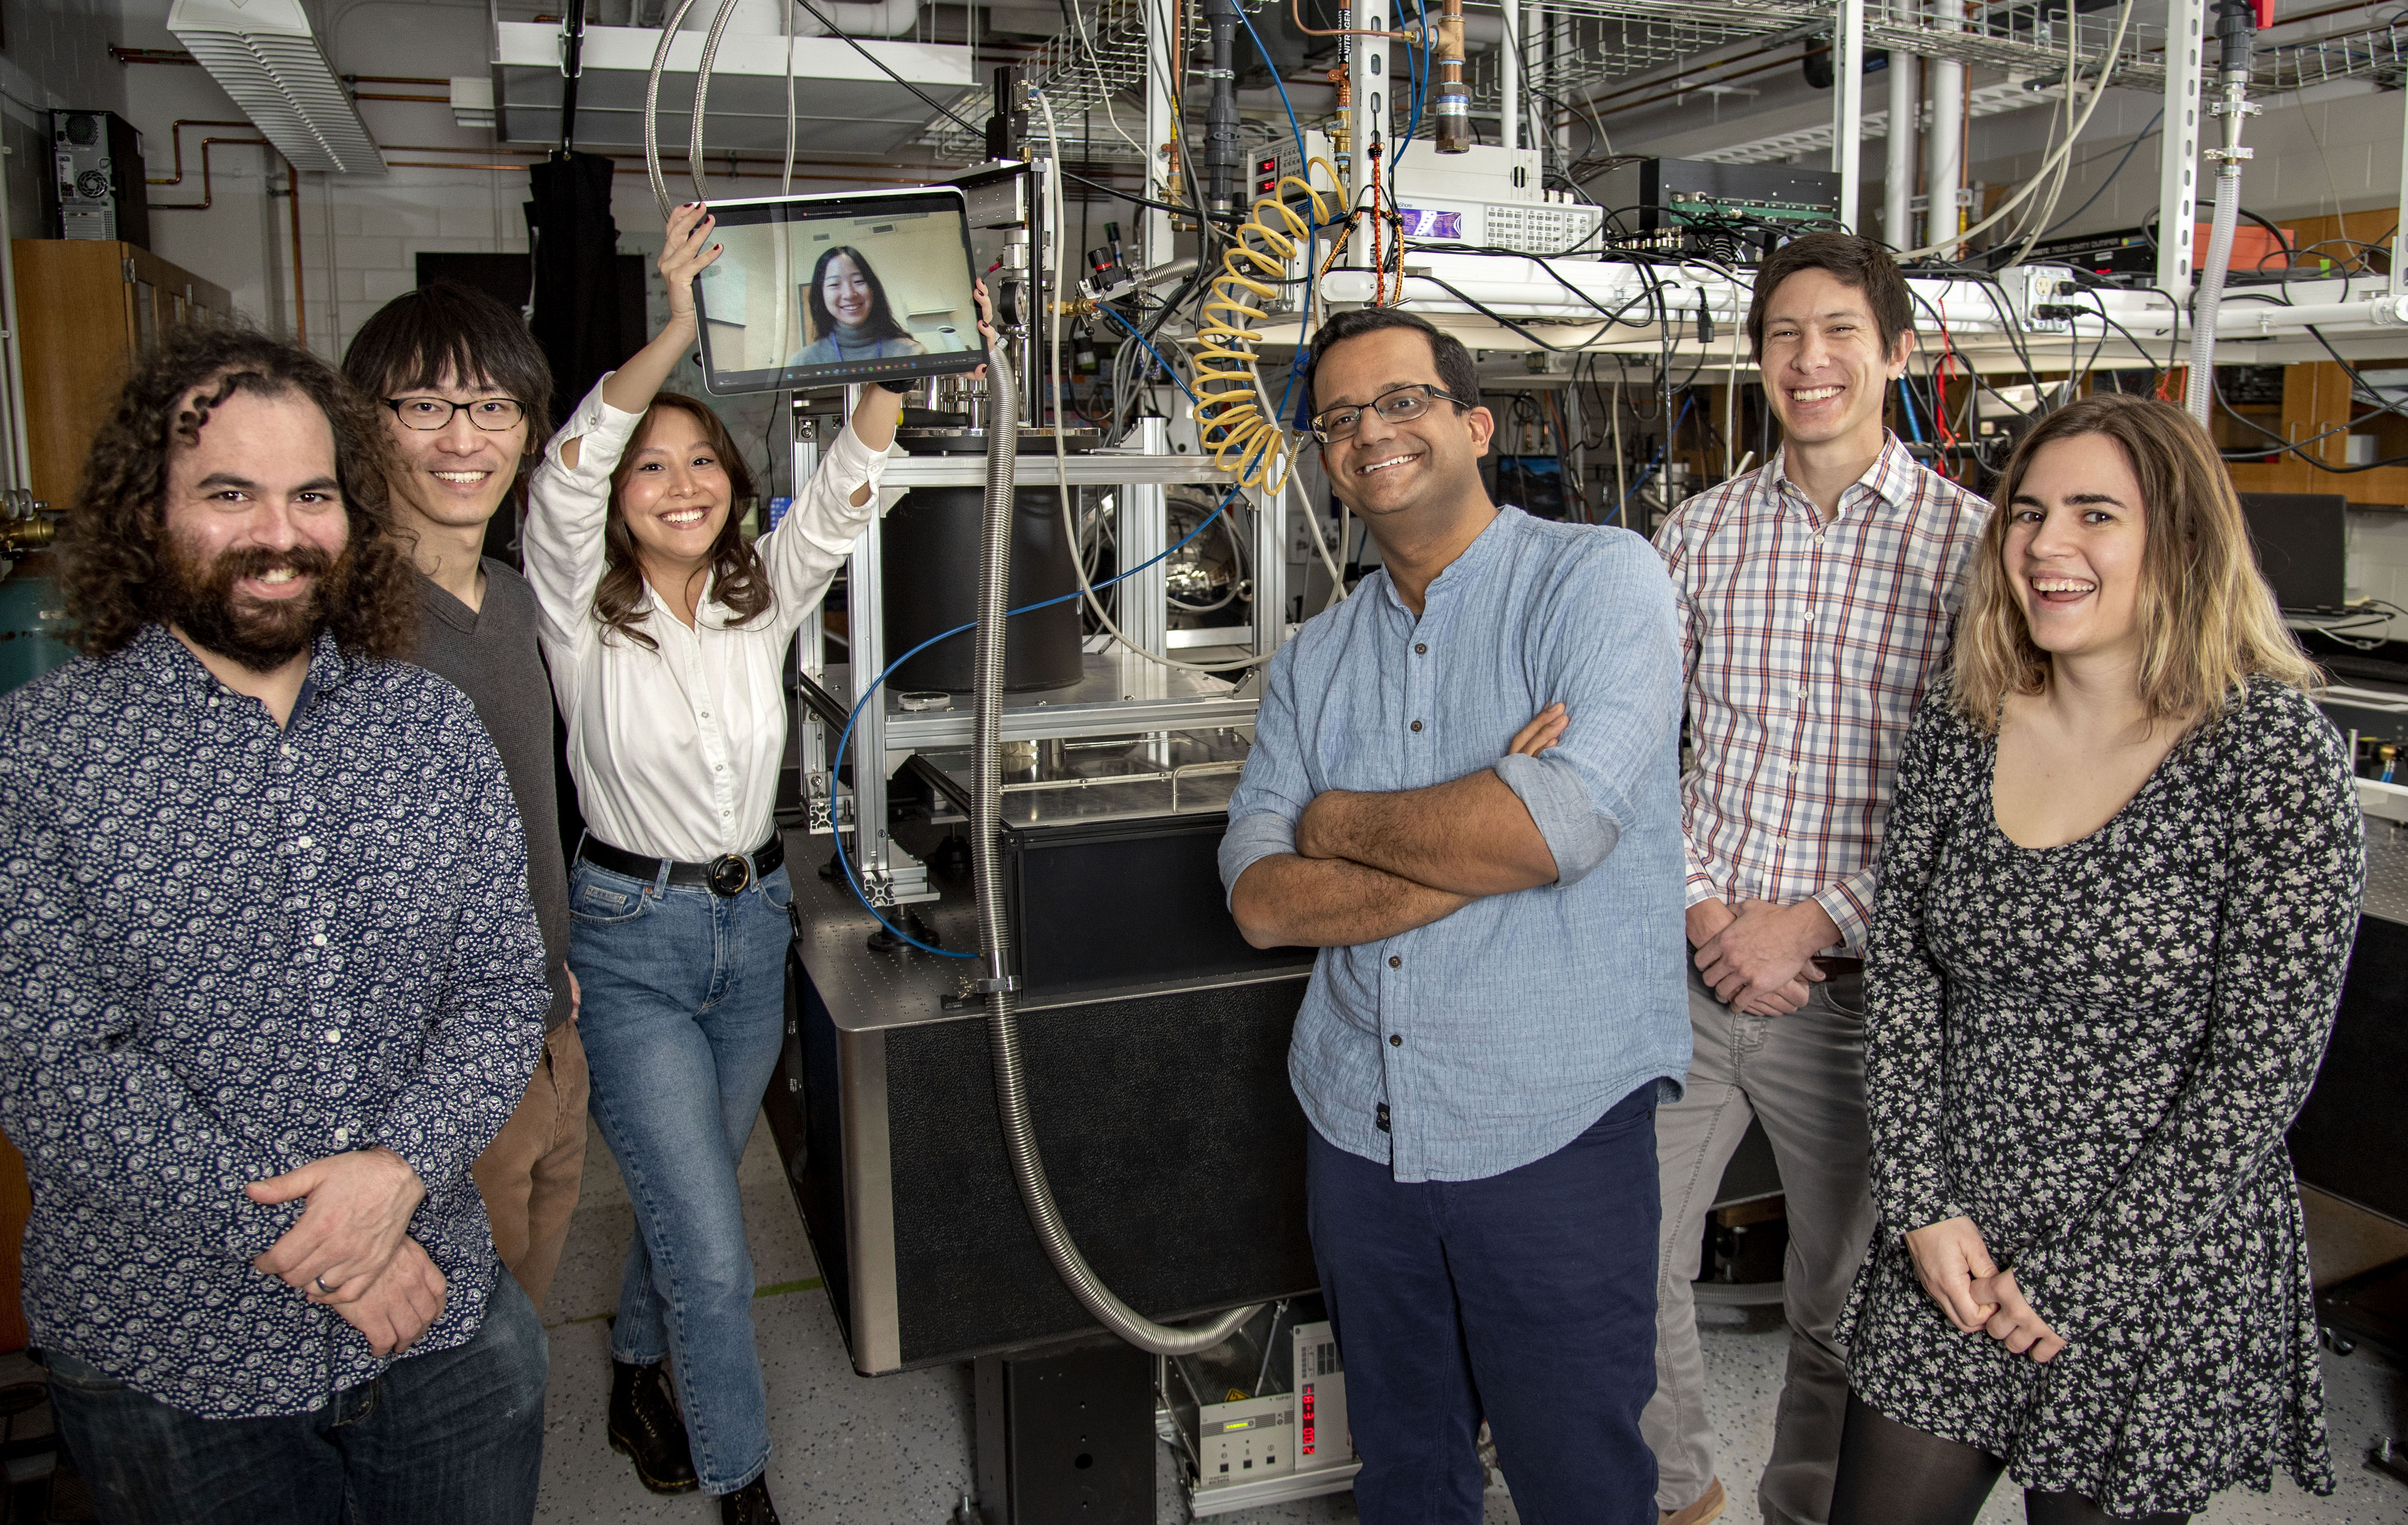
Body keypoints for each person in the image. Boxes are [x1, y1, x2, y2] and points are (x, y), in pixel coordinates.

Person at [0, 327, 553, 1521]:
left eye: (310, 495)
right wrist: (339, 1243)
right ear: (145, 513)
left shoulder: (428, 728)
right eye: (227, 493)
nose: (278, 533)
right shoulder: (43, 754)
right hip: (178, 1364)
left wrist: (399, 1172)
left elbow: (503, 987)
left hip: (442, 1322)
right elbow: (49, 1065)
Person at [1828, 393, 2360, 1525]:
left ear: (2180, 538)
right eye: (2026, 513)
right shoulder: (1963, 717)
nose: (2046, 547)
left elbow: (2257, 1071)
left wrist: (2081, 1269)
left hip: (2151, 1254)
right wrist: (1922, 1203)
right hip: (1955, 1235)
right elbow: (1908, 980)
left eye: (2095, 515)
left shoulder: (2269, 755)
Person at [526, 202, 980, 1524]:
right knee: (715, 1254)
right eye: (652, 468)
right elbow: (561, 474)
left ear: (732, 484)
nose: (679, 484)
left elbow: (844, 488)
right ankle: (742, 1485)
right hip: (630, 938)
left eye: (701, 465)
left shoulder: (755, 594)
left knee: (696, 1200)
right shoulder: (575, 609)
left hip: (749, 932)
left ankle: (627, 1362)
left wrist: (915, 345)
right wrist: (677, 328)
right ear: (621, 497)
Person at [1219, 307, 1690, 1525]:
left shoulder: (1601, 580)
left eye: (1401, 402)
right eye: (1337, 419)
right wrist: (1484, 832)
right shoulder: (1313, 659)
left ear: (1475, 423)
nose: (1369, 433)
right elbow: (1263, 902)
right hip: (1358, 1133)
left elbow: (1555, 826)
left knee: (1579, 1478)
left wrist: (1337, 817)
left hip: (1553, 1132)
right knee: (1408, 1472)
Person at [1644, 232, 1989, 1525]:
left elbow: (1976, 790)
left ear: (1896, 351)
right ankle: (1681, 1498)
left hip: (1860, 994)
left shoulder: (1973, 550)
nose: (1811, 358)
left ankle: (1805, 1512)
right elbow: (1642, 745)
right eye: (1786, 333)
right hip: (1692, 964)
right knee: (1621, 1263)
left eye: (1840, 329)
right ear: (1761, 362)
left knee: (1845, 1303)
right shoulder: (1696, 535)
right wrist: (1703, 908)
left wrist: (1818, 917)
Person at [343, 282, 590, 1315]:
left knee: (521, 1325)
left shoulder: (515, 596)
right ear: (369, 428)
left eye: (493, 406)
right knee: (447, 1363)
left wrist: (556, 974)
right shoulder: (347, 630)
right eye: (425, 406)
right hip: (430, 1074)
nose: (464, 436)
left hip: (547, 1034)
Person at [785, 245, 924, 365]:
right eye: (834, 284)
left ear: (873, 289)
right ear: (821, 295)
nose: (850, 294)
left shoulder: (912, 354)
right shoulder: (803, 362)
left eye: (858, 281)